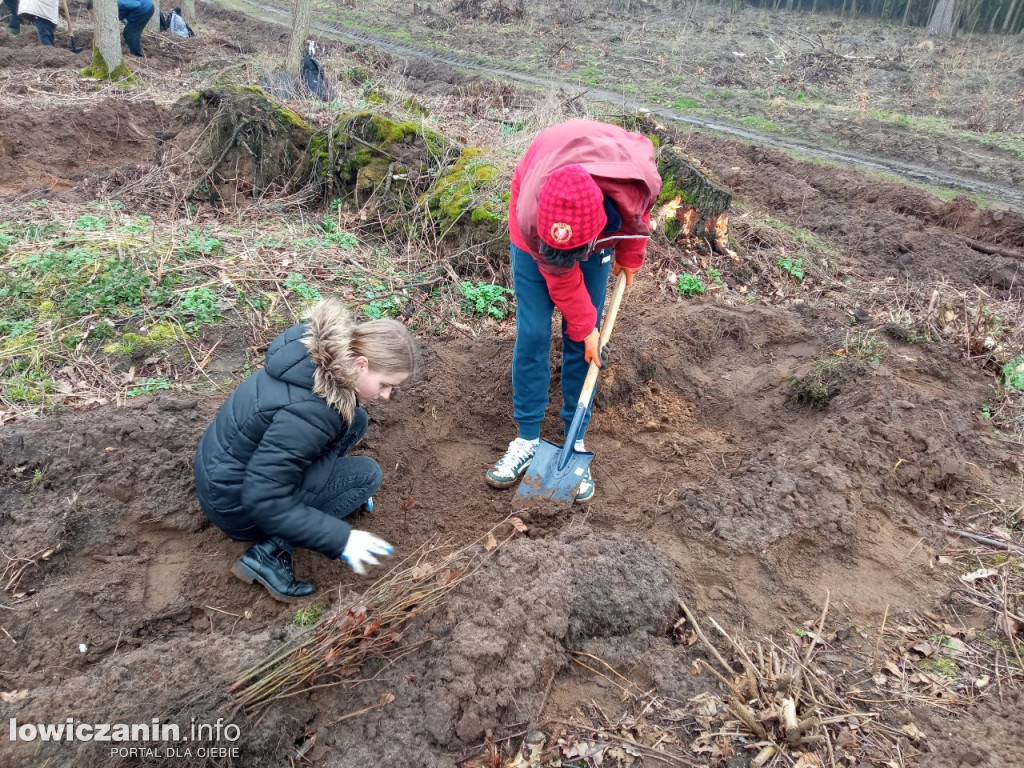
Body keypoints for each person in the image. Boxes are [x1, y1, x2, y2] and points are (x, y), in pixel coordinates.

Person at [485, 119, 662, 502]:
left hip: (596, 215)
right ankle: (527, 439)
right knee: (534, 332)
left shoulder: (632, 185)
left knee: (583, 343)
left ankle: (573, 438)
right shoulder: (533, 216)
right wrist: (587, 326)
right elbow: (560, 276)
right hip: (538, 220)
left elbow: (638, 214)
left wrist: (631, 253)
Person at [194, 297, 416, 602]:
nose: (387, 395)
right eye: (385, 384)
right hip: (237, 505)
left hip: (223, 471)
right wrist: (341, 538)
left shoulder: (310, 356)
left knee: (356, 419)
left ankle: (318, 497)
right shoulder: (312, 413)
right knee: (366, 476)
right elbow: (263, 498)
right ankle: (267, 555)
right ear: (360, 364)